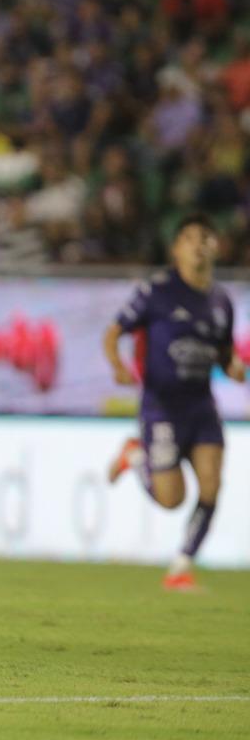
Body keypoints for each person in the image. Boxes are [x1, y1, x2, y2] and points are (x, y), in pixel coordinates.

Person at [104, 215, 244, 590]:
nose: (198, 244)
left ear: (216, 248)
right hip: (161, 407)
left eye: (205, 238)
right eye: (189, 238)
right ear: (176, 250)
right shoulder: (158, 291)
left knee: (212, 484)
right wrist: (118, 365)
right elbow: (114, 331)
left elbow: (222, 353)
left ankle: (181, 565)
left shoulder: (221, 302)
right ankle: (135, 456)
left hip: (201, 407)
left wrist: (231, 367)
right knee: (171, 499)